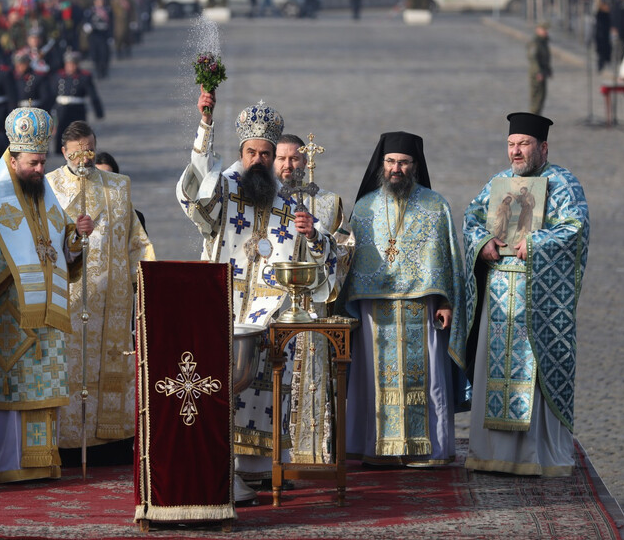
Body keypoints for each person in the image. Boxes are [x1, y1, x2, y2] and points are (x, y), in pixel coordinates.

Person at [177, 88, 338, 499]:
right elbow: (194, 195)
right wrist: (205, 124)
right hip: (222, 306)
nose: (259, 161)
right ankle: (219, 465)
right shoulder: (225, 190)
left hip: (266, 314)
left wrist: (314, 236)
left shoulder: (289, 205)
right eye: (252, 153)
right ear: (242, 151)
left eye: (266, 154)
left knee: (261, 389)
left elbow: (322, 259)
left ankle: (254, 469)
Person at [0, 107, 94, 483]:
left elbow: (59, 245)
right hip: (8, 315)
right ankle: (2, 467)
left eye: (42, 163)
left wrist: (76, 238)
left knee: (39, 389)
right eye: (33, 164)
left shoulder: (44, 197)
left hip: (44, 320)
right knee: (8, 392)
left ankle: (39, 464)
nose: (40, 170)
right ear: (13, 158)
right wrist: (17, 267)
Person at [462, 113, 589, 477]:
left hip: (539, 298)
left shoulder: (562, 183)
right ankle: (491, 453)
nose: (516, 152)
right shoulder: (498, 183)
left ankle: (538, 456)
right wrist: (483, 242)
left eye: (524, 144)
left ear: (543, 147)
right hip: (498, 295)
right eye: (511, 145)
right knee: (493, 373)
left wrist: (535, 243)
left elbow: (575, 228)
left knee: (533, 376)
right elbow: (472, 219)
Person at [339, 131, 467, 467]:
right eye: (391, 162)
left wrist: (447, 302)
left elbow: (449, 262)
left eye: (404, 162)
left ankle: (426, 449)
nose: (397, 168)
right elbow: (350, 265)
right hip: (373, 312)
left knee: (428, 380)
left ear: (415, 165)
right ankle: (377, 448)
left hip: (422, 309)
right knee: (373, 379)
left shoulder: (435, 206)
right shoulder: (365, 208)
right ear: (382, 164)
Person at [46, 121, 155, 465]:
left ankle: (112, 446)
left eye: (90, 148)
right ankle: (65, 445)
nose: (85, 157)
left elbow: (136, 242)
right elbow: (43, 245)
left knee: (110, 372)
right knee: (67, 371)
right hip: (69, 302)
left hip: (113, 306)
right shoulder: (50, 187)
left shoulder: (118, 186)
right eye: (78, 151)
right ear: (64, 152)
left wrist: (151, 283)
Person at [273, 133, 352, 464]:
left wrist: (317, 237)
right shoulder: (263, 200)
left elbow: (346, 250)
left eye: (295, 158)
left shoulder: (328, 203)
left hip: (313, 307)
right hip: (273, 306)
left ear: (306, 161)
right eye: (282, 159)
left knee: (312, 377)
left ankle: (309, 452)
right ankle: (270, 454)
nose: (289, 165)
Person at [51, 51, 104, 151]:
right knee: (61, 130)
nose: (70, 67)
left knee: (79, 131)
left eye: (73, 64)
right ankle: (59, 149)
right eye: (68, 64)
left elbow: (93, 95)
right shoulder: (58, 76)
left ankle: (80, 149)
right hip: (61, 107)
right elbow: (52, 94)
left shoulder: (84, 77)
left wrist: (98, 111)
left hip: (77, 108)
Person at [528, 22, 552, 115]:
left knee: (542, 95)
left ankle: (537, 116)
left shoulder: (543, 41)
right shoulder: (535, 43)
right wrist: (538, 72)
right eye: (544, 29)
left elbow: (546, 58)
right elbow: (533, 59)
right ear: (537, 29)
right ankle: (533, 116)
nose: (546, 32)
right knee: (536, 96)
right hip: (536, 73)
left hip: (543, 72)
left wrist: (548, 70)